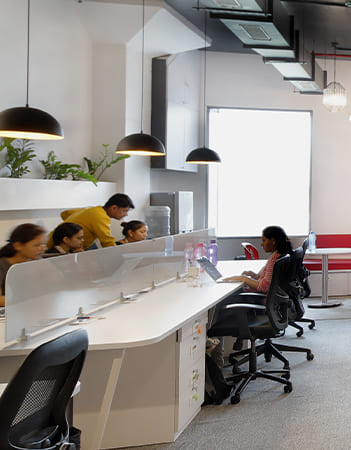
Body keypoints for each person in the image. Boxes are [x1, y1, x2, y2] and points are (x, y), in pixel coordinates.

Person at [209, 225, 293, 368]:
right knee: (229, 299)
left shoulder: (275, 259)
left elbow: (264, 286)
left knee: (219, 309)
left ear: (273, 241)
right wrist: (253, 276)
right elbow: (267, 280)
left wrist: (242, 279)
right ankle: (222, 354)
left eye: (264, 240)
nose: (261, 243)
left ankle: (216, 361)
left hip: (263, 305)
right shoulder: (280, 256)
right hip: (272, 304)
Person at [46, 193, 135, 250]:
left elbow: (65, 213)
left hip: (60, 243)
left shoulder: (93, 209)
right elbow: (107, 242)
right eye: (125, 211)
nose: (126, 214)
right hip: (57, 247)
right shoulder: (100, 216)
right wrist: (119, 259)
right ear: (114, 208)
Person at [0, 223, 47, 306]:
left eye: (43, 244)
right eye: (37, 245)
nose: (42, 248)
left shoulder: (36, 262)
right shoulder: (2, 265)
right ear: (17, 246)